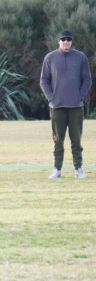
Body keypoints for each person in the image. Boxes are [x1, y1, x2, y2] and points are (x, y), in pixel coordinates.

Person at [40, 29, 92, 179]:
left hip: (75, 106)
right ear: (58, 41)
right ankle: (57, 169)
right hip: (57, 107)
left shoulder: (80, 57)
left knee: (76, 140)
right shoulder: (50, 58)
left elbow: (87, 79)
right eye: (63, 39)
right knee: (58, 140)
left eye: (68, 39)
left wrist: (79, 95)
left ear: (71, 41)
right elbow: (44, 80)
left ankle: (78, 168)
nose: (66, 42)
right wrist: (51, 98)